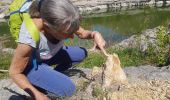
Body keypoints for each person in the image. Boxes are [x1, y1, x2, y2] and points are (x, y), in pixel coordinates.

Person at [9, 0, 106, 99]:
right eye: (67, 34)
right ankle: (38, 79)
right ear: (47, 26)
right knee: (68, 90)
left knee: (82, 53)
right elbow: (14, 72)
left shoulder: (64, 19)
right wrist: (38, 96)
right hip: (32, 65)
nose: (72, 36)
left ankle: (49, 75)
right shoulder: (30, 34)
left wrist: (94, 34)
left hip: (48, 55)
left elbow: (82, 33)